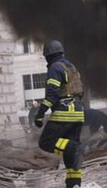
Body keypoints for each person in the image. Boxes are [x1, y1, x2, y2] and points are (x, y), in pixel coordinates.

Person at [34, 40, 86, 187]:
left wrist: (40, 114)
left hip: (64, 113)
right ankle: (74, 184)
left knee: (46, 142)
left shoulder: (55, 68)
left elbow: (52, 94)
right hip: (78, 112)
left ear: (48, 56)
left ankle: (75, 147)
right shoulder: (72, 68)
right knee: (70, 156)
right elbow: (80, 92)